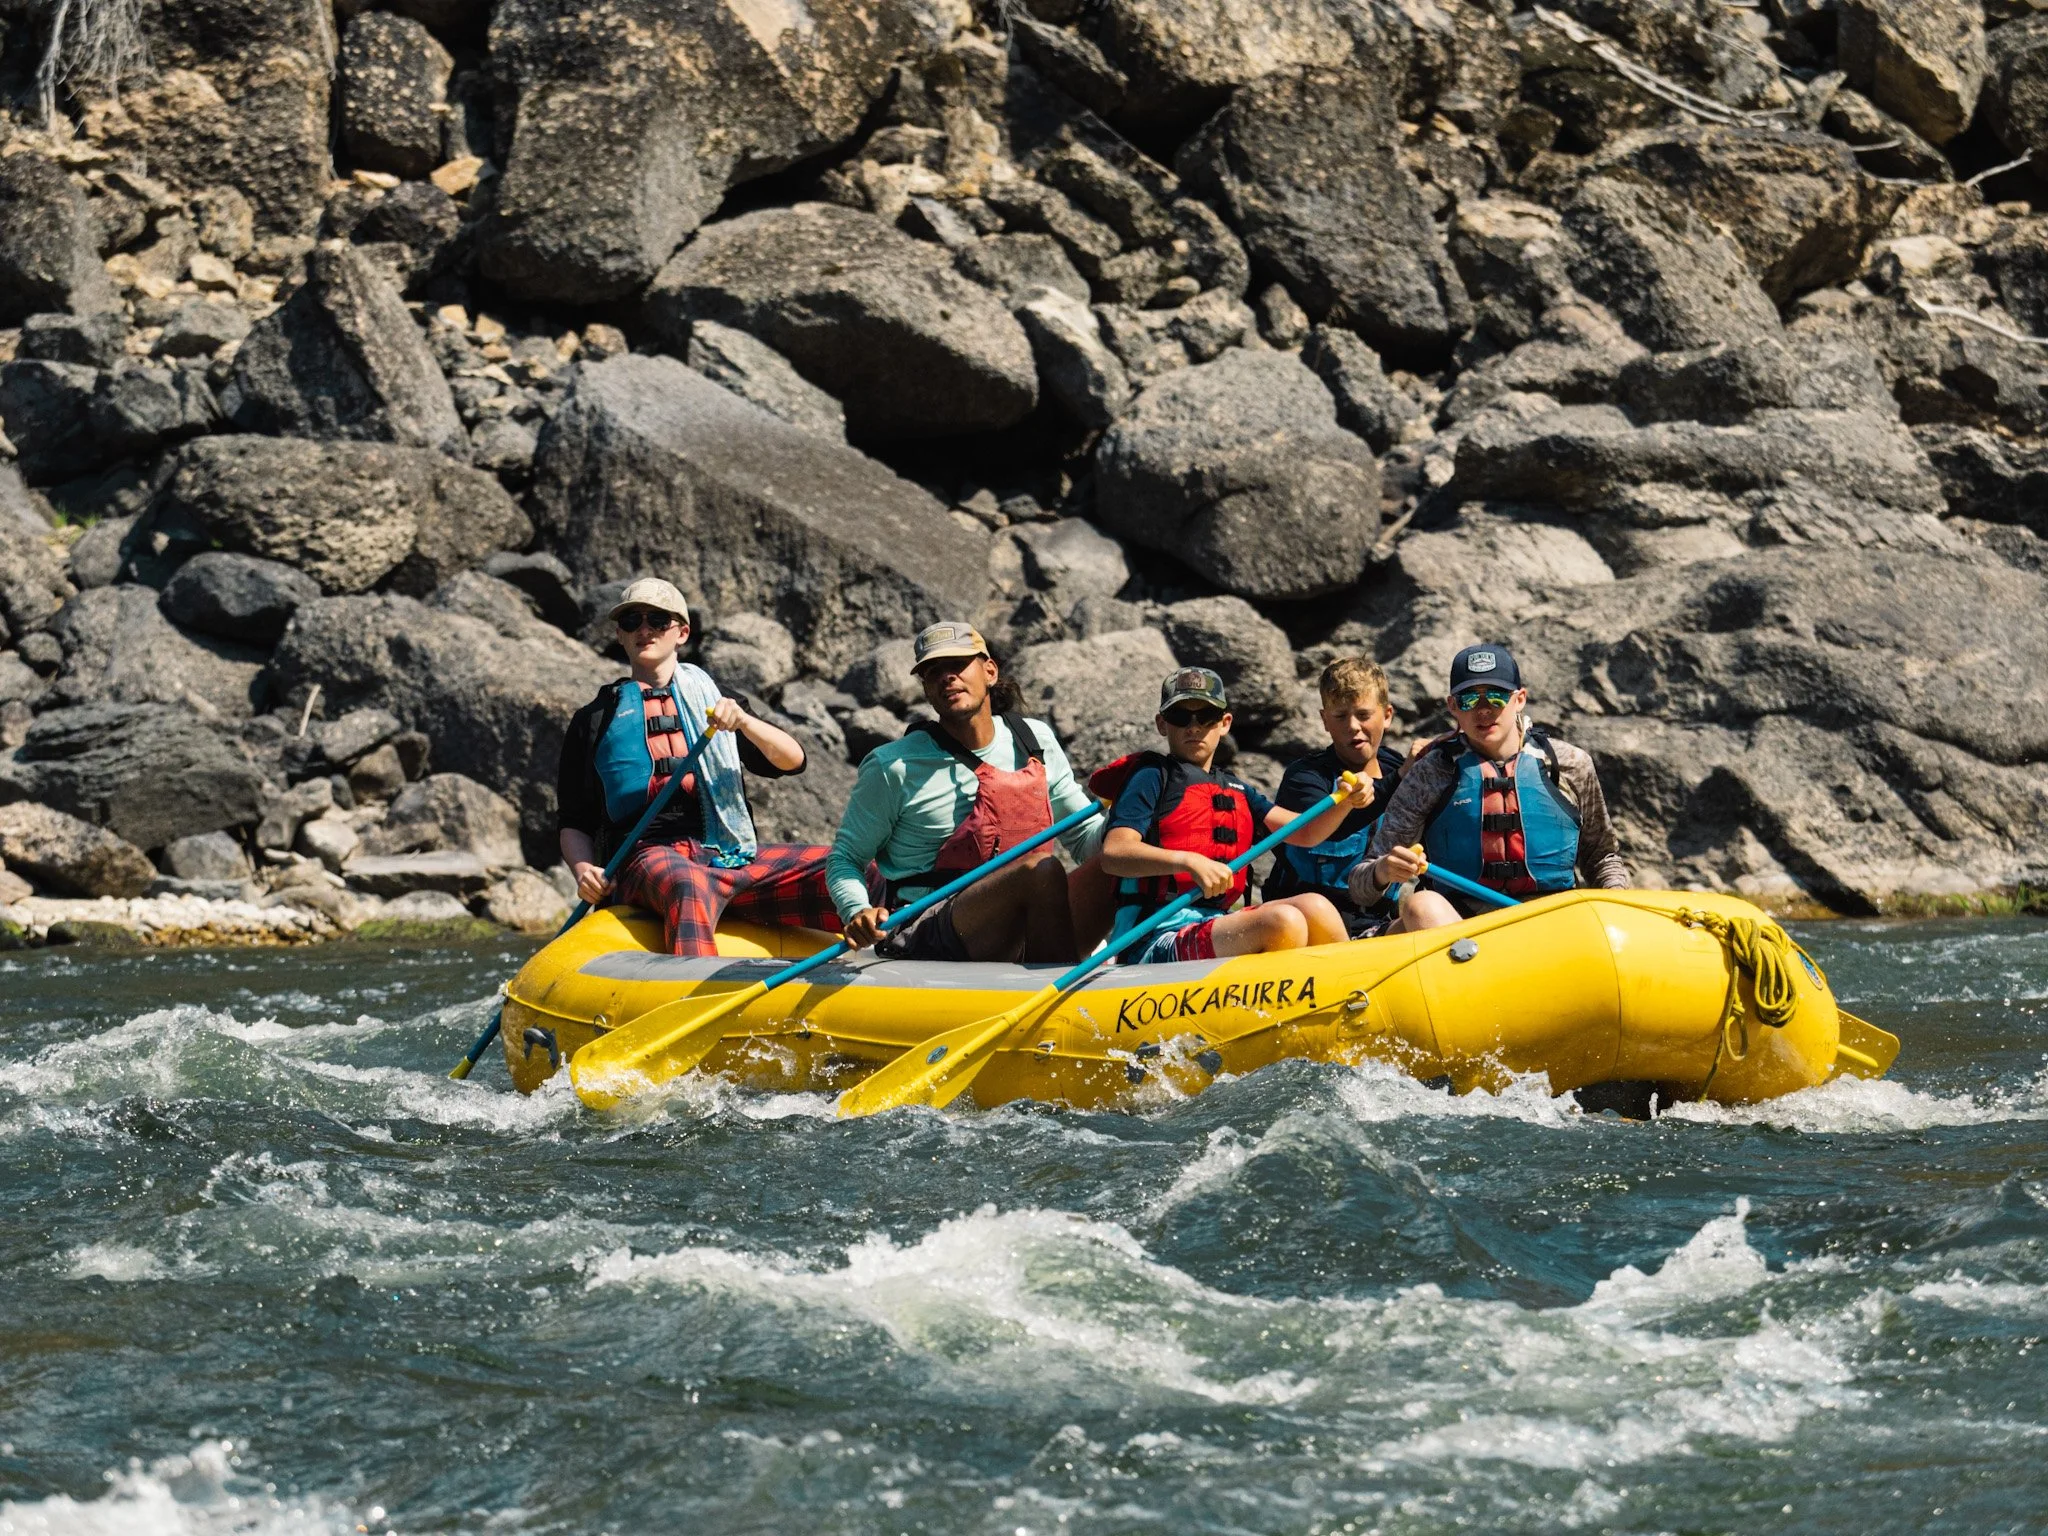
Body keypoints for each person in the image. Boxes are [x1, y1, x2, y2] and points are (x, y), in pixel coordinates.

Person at [554, 578, 841, 956]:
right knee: (689, 884)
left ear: (682, 632)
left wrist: (744, 723)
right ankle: (695, 994)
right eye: (631, 622)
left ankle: (891, 957)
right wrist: (583, 871)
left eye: (657, 620)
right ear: (620, 636)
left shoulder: (719, 703)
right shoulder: (594, 718)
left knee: (845, 867)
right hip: (643, 855)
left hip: (726, 854)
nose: (643, 630)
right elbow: (573, 820)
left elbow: (793, 761)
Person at [829, 622, 1104, 963]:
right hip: (925, 928)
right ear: (927, 689)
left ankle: (1152, 951)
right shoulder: (893, 766)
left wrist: (1134, 823)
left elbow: (1084, 838)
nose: (947, 677)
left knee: (1118, 858)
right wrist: (858, 910)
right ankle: (1056, 989)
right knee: (1041, 870)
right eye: (933, 672)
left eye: (957, 665)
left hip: (1025, 916)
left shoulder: (1036, 740)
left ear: (990, 671)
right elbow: (845, 859)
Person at [1091, 668, 1375, 965]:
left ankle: (1355, 989)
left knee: (1317, 906)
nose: (1194, 727)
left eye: (1206, 716)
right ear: (1162, 725)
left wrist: (1344, 802)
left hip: (1216, 925)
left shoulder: (1236, 788)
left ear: (1224, 723)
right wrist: (1188, 860)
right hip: (1152, 939)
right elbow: (1114, 853)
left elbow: (1305, 833)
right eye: (1180, 717)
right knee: (1282, 920)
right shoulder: (1151, 776)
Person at [1347, 644, 1627, 933]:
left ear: (1519, 699)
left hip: (1552, 925)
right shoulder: (1431, 774)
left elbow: (1603, 859)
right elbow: (1360, 887)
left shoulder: (1569, 764)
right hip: (1463, 932)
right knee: (1423, 906)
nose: (1483, 711)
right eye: (1469, 699)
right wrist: (1383, 871)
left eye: (1496, 697)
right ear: (1453, 706)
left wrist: (1619, 907)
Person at [1265, 656, 1408, 937]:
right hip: (1308, 927)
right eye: (1340, 716)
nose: (1353, 726)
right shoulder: (1304, 777)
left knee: (1425, 911)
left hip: (1378, 925)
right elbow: (1323, 831)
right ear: (1324, 721)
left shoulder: (1399, 767)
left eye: (1363, 714)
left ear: (1387, 715)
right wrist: (1400, 779)